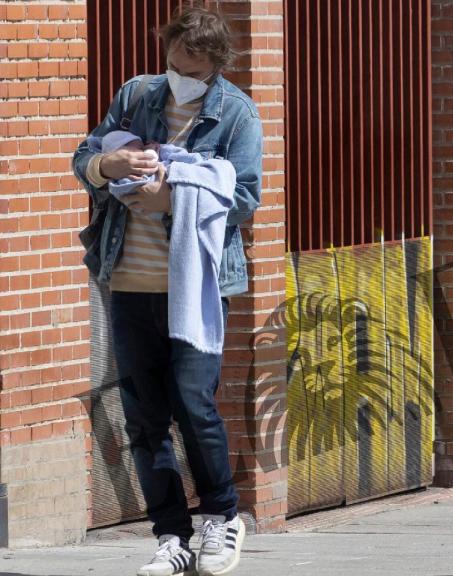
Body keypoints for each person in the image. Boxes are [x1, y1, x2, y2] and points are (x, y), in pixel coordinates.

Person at [72, 6, 262, 576]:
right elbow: (84, 159)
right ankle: (171, 537)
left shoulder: (236, 113)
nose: (180, 73)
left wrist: (173, 199)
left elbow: (246, 198)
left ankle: (222, 518)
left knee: (195, 406)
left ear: (216, 64)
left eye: (194, 68)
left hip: (196, 289)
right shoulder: (136, 96)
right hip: (127, 283)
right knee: (144, 417)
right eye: (175, 61)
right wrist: (110, 163)